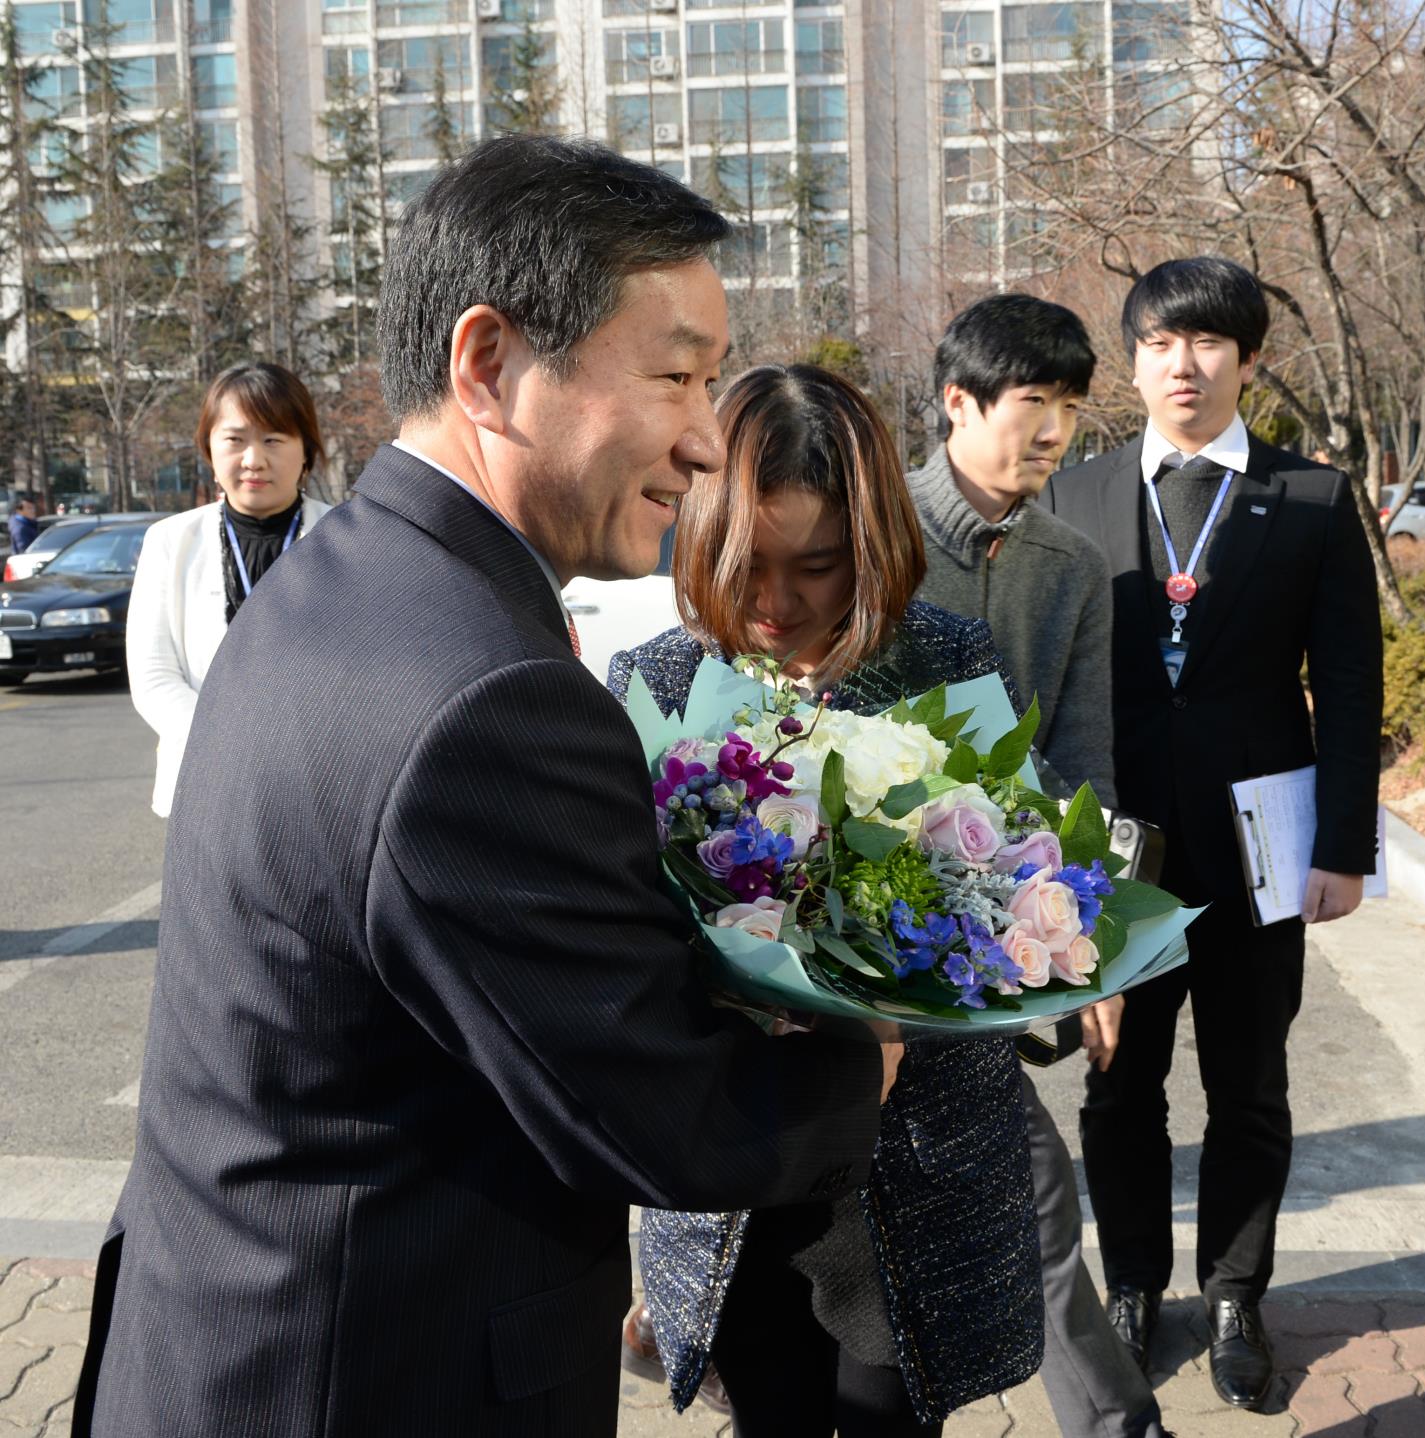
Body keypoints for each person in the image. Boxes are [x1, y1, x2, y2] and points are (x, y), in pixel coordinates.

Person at [72, 136, 900, 1438]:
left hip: (235, 1337)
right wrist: (877, 1044)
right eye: (677, 375)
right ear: (490, 364)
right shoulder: (486, 695)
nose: (702, 440)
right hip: (371, 1375)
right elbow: (669, 1120)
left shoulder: (336, 579)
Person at [608, 363, 1043, 1436]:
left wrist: (937, 978)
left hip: (914, 1162)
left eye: (816, 566)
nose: (773, 604)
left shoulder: (943, 658)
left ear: (875, 549)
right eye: (742, 564)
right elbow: (616, 952)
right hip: (737, 1179)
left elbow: (1010, 891)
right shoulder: (655, 682)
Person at [1043, 256, 1382, 1410]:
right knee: (1116, 1080)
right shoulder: (1075, 496)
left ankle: (1238, 1295)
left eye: (1205, 344)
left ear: (1246, 358)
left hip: (1260, 845)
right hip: (1116, 851)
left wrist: (1344, 844)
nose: (1180, 365)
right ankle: (1132, 1282)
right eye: (1156, 344)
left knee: (1249, 1083)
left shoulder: (1311, 499)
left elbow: (1347, 683)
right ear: (1130, 360)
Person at [905, 293, 1169, 1438]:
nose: (1055, 429)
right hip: (862, 932)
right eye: (1033, 403)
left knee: (1027, 1198)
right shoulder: (867, 531)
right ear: (957, 402)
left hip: (991, 935)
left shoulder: (1070, 560)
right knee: (1014, 1194)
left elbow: (1083, 760)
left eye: (1072, 404)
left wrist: (1087, 940)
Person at [125, 363, 333, 817]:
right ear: (208, 448)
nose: (253, 459)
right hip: (204, 784)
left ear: (306, 452)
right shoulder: (170, 542)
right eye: (235, 439)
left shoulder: (346, 539)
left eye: (274, 440)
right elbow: (153, 676)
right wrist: (227, 740)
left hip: (316, 788)